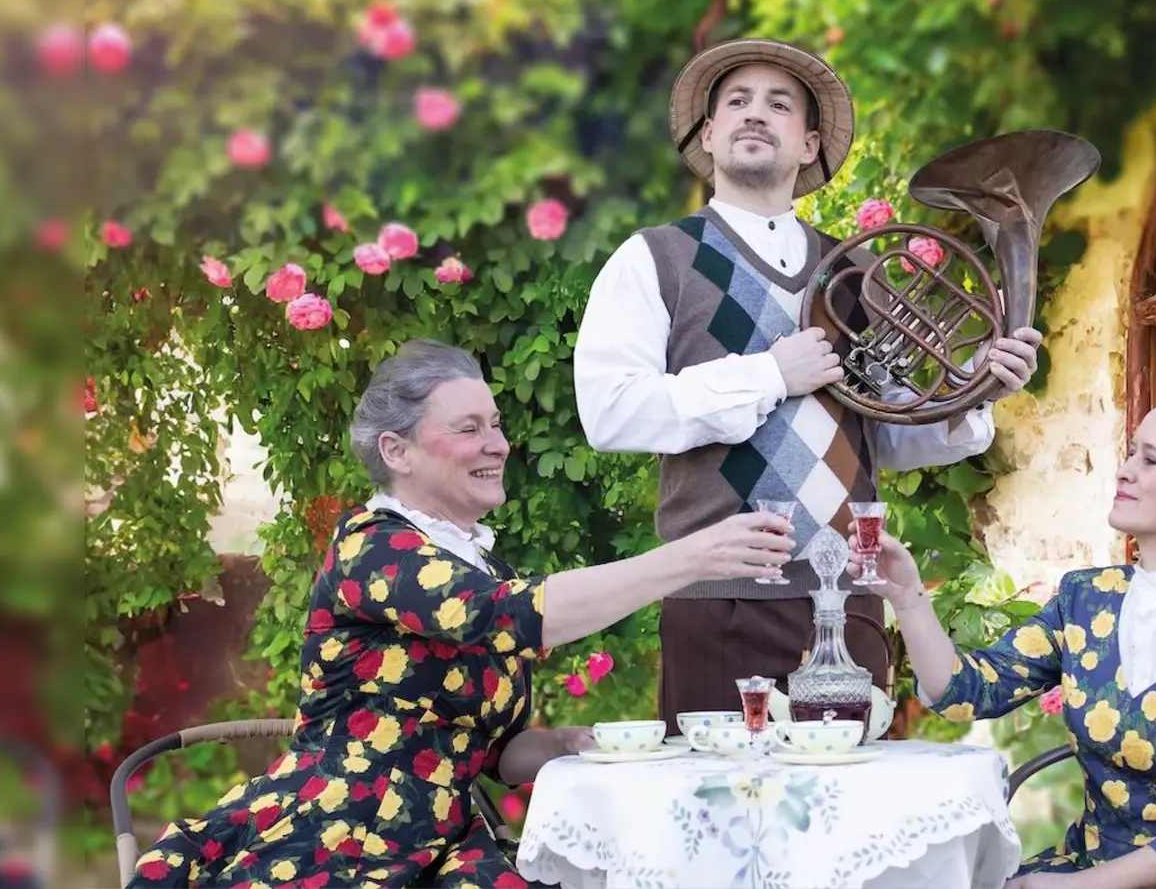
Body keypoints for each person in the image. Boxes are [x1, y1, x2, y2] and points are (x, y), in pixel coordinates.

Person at [125, 339, 794, 889]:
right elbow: (508, 616)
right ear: (397, 452)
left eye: (496, 426)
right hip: (338, 835)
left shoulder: (481, 568)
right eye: (468, 429)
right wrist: (691, 557)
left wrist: (570, 744)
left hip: (439, 843)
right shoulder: (375, 549)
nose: (496, 444)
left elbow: (495, 754)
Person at [572, 36, 1043, 731]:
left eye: (779, 104)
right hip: (717, 601)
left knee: (845, 823)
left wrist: (975, 391)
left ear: (808, 143)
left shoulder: (851, 270)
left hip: (848, 599)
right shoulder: (655, 258)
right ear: (709, 134)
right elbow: (610, 414)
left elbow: (884, 434)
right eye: (736, 102)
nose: (754, 114)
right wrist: (770, 375)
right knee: (718, 820)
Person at [854, 385, 1156, 889]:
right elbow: (965, 692)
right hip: (1090, 864)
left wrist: (1073, 887)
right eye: (1132, 452)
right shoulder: (1086, 600)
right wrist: (908, 597)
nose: (1125, 469)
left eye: (1151, 461)